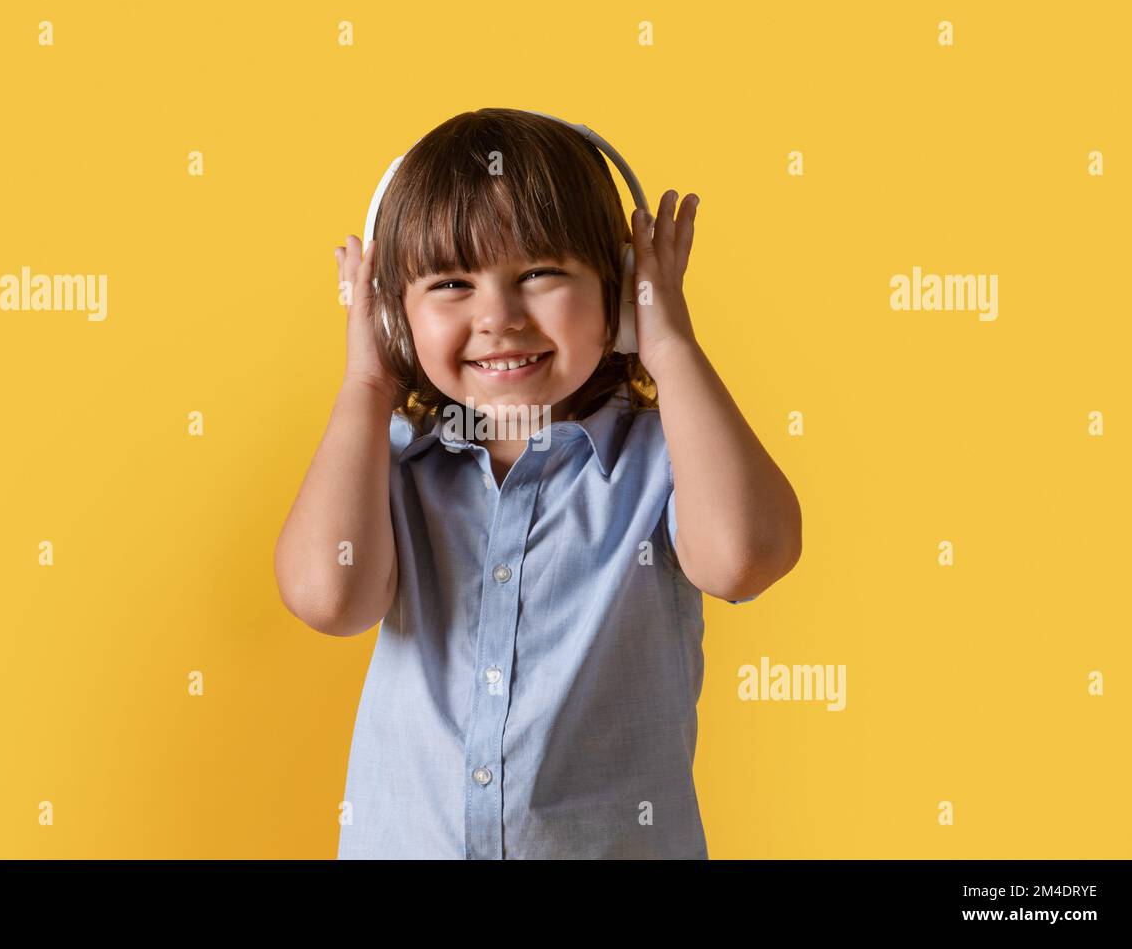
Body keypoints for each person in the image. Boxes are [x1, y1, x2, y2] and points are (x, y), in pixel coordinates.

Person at [275, 108, 802, 858]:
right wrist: (367, 380)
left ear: (619, 286)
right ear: (396, 315)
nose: (499, 316)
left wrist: (671, 342)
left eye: (541, 273)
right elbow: (329, 598)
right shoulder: (385, 464)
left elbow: (745, 555)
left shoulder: (668, 457)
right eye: (452, 282)